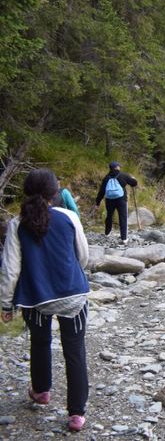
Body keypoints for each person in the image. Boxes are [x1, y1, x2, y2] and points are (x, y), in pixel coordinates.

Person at [0, 168, 90, 433]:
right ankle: (76, 414)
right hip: (73, 295)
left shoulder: (17, 224)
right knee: (75, 350)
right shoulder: (69, 216)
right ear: (55, 192)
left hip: (35, 297)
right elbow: (83, 256)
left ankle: (41, 391)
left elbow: (11, 269)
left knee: (40, 343)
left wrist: (6, 304)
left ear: (27, 191)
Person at [94, 161, 138, 243]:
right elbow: (134, 183)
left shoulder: (106, 178)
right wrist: (133, 178)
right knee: (123, 218)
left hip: (109, 200)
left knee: (109, 215)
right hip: (121, 200)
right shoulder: (123, 175)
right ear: (117, 167)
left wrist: (97, 203)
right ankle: (124, 238)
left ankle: (107, 233)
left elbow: (101, 191)